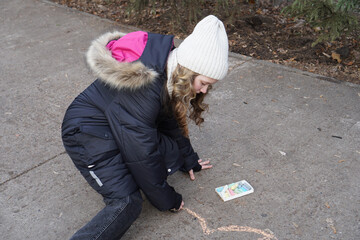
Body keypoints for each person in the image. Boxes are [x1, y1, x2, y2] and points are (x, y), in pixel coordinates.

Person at [61, 15, 229, 240]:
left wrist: (189, 159)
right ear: (188, 71)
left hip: (113, 124)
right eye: (204, 83)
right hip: (86, 134)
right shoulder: (145, 91)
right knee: (128, 202)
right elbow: (142, 155)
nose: (204, 91)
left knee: (169, 151)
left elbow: (170, 123)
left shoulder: (166, 70)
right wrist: (167, 200)